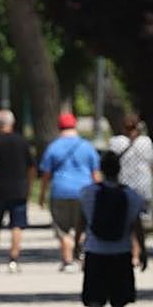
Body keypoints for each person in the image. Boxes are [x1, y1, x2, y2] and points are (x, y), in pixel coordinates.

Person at [80, 150, 147, 307]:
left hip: (95, 250)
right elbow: (137, 227)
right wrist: (141, 251)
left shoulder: (88, 193)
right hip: (121, 252)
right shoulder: (131, 196)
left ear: (101, 169)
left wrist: (77, 246)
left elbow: (81, 221)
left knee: (93, 297)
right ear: (119, 170)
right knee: (119, 300)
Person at [39, 113, 101, 271]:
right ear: (75, 126)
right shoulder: (87, 146)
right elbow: (96, 174)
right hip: (85, 191)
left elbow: (46, 175)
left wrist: (42, 194)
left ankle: (67, 261)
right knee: (85, 226)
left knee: (62, 228)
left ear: (59, 127)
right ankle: (82, 254)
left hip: (60, 191)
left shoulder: (53, 147)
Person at [0, 109, 34, 273]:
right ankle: (13, 259)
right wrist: (29, 185)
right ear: (12, 123)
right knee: (17, 225)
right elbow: (32, 167)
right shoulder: (22, 141)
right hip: (19, 188)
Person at [108, 114, 153, 236]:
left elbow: (110, 163)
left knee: (124, 220)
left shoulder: (115, 142)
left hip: (124, 186)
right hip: (143, 186)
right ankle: (140, 247)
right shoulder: (146, 142)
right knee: (142, 222)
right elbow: (150, 164)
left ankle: (131, 248)